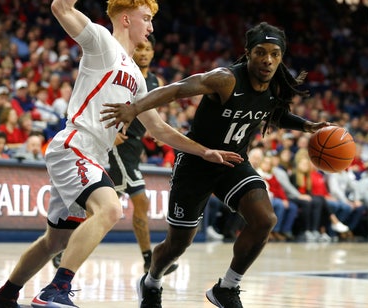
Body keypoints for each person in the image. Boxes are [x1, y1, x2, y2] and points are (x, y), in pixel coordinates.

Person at [0, 1, 242, 308]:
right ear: (126, 19)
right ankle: (57, 289)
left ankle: (5, 294)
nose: (151, 26)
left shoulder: (137, 76)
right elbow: (60, 8)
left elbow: (157, 128)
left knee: (56, 241)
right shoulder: (102, 43)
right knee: (110, 209)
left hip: (93, 154)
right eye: (146, 18)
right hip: (76, 145)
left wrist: (204, 151)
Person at [100, 21, 330, 307]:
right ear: (247, 53)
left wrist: (305, 125)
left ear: (282, 57)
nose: (267, 60)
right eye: (260, 52)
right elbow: (177, 89)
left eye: (274, 53)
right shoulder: (226, 79)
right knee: (178, 244)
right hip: (197, 162)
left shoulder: (276, 84)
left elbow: (272, 112)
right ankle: (151, 280)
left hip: (233, 162)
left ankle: (227, 287)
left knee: (265, 219)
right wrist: (133, 108)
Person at [52, 34, 179, 274]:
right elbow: (108, 102)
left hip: (135, 148)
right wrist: (114, 131)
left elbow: (148, 115)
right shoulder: (125, 74)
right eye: (139, 48)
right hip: (119, 147)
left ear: (153, 53)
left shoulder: (155, 80)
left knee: (102, 210)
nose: (143, 52)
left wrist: (151, 131)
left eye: (147, 49)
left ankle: (64, 251)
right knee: (136, 202)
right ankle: (147, 259)